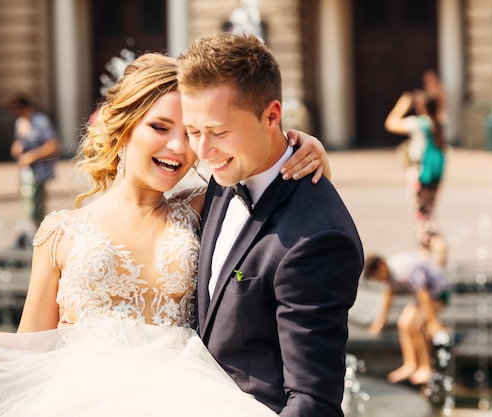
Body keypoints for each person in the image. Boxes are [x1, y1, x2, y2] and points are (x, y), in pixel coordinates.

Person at [0, 53, 330, 416]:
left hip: (192, 400)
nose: (178, 148)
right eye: (160, 127)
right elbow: (29, 351)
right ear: (124, 126)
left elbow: (284, 192)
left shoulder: (209, 205)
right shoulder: (59, 232)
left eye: (190, 134)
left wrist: (306, 147)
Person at [177, 33, 364, 417]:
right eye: (194, 131)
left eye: (219, 131)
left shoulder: (318, 238)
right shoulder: (226, 174)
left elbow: (312, 402)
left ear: (272, 116)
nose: (202, 151)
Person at [363, 252, 449, 385]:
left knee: (416, 326)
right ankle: (411, 364)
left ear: (381, 266)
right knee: (403, 323)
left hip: (439, 293)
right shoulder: (390, 273)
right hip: (423, 296)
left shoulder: (403, 270)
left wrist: (432, 322)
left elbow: (423, 292)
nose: (379, 281)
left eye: (377, 277)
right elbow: (389, 295)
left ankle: (426, 368)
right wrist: (381, 320)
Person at [385, 89, 448, 267]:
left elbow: (390, 123)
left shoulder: (418, 123)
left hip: (419, 175)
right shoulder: (440, 122)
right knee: (428, 211)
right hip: (434, 176)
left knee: (421, 214)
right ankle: (424, 252)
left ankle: (437, 244)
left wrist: (402, 105)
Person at [8, 94, 60, 248]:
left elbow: (52, 145)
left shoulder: (40, 122)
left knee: (35, 205)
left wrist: (32, 156)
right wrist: (16, 147)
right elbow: (20, 142)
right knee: (27, 202)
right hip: (26, 172)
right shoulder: (21, 123)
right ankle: (33, 237)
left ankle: (40, 237)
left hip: (39, 171)